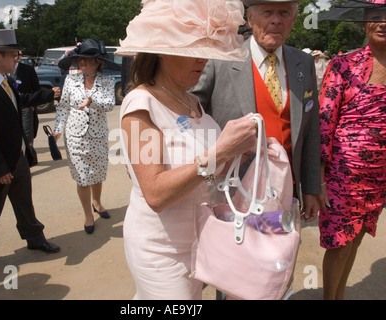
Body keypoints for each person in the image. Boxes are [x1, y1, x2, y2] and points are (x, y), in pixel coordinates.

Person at [115, 0, 266, 299]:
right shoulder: (140, 104)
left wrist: (238, 152)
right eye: (193, 52)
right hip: (161, 249)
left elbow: (205, 174)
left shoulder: (191, 101)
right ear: (162, 49)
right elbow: (156, 194)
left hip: (200, 239)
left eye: (208, 52)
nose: (203, 61)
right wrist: (221, 152)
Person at [192, 0, 321, 222]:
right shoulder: (221, 58)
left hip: (285, 191)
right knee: (232, 254)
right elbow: (189, 114)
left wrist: (310, 188)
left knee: (281, 254)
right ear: (250, 19)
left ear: (294, 19)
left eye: (284, 13)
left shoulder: (304, 62)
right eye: (267, 12)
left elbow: (310, 132)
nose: (276, 20)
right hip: (232, 191)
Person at [0, 29, 61, 281]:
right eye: (13, 55)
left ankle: (34, 239)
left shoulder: (6, 81)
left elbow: (22, 99)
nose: (17, 59)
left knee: (24, 203)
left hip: (17, 159)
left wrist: (49, 94)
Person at [318, 1, 386, 300]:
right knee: (340, 243)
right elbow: (323, 124)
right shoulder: (343, 65)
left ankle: (340, 295)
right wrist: (317, 179)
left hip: (378, 178)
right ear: (363, 23)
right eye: (375, 17)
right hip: (343, 175)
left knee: (357, 239)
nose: (383, 23)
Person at [53, 39, 119, 234]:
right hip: (74, 136)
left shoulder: (107, 81)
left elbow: (109, 104)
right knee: (82, 178)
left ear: (97, 61)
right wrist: (58, 128)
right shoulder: (70, 80)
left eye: (87, 59)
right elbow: (63, 106)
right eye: (80, 58)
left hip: (98, 136)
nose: (82, 62)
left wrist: (92, 100)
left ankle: (97, 202)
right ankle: (87, 215)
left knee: (97, 173)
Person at [13, 51, 59, 167]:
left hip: (26, 108)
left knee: (28, 136)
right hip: (11, 109)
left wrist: (34, 105)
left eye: (17, 55)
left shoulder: (27, 69)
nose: (15, 58)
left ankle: (29, 161)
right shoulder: (5, 72)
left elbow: (36, 89)